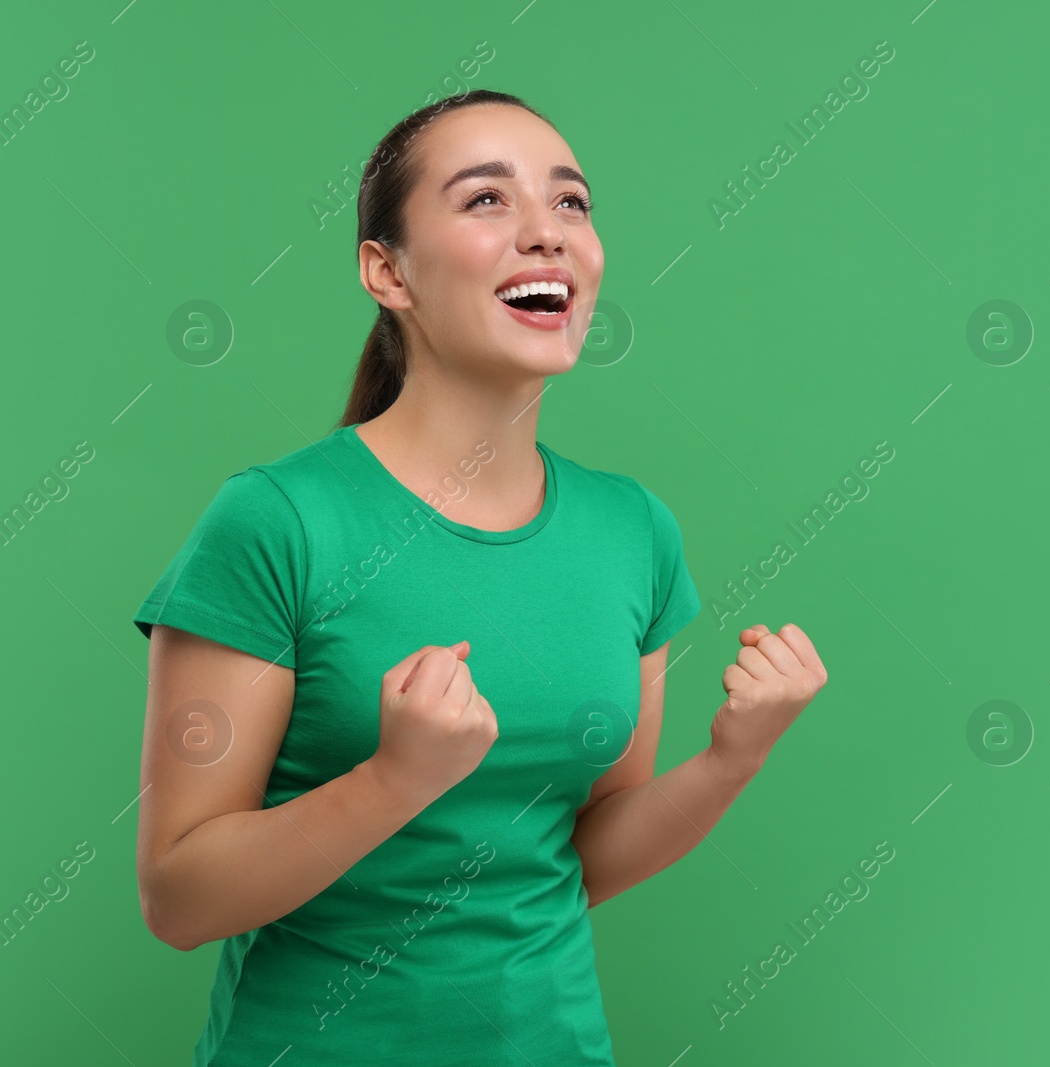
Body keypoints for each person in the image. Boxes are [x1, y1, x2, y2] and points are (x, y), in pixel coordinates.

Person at [131, 88, 827, 1066]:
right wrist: (394, 780)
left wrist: (729, 761)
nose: (547, 233)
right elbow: (178, 895)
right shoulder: (277, 521)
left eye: (572, 203)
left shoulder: (631, 530)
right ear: (387, 270)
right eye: (486, 200)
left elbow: (580, 853)